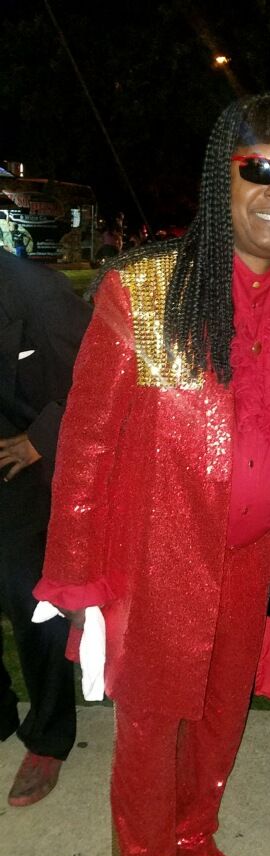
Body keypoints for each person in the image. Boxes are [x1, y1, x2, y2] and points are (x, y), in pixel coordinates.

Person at [33, 93, 270, 856]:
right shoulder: (146, 289)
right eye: (258, 170)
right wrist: (76, 582)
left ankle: (197, 838)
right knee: (148, 738)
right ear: (221, 177)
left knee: (222, 720)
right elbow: (85, 444)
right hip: (156, 564)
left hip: (253, 563)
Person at [0, 248, 91, 806]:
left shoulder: (39, 293)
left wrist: (42, 438)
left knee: (30, 596)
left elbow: (103, 372)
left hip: (29, 463)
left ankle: (49, 737)